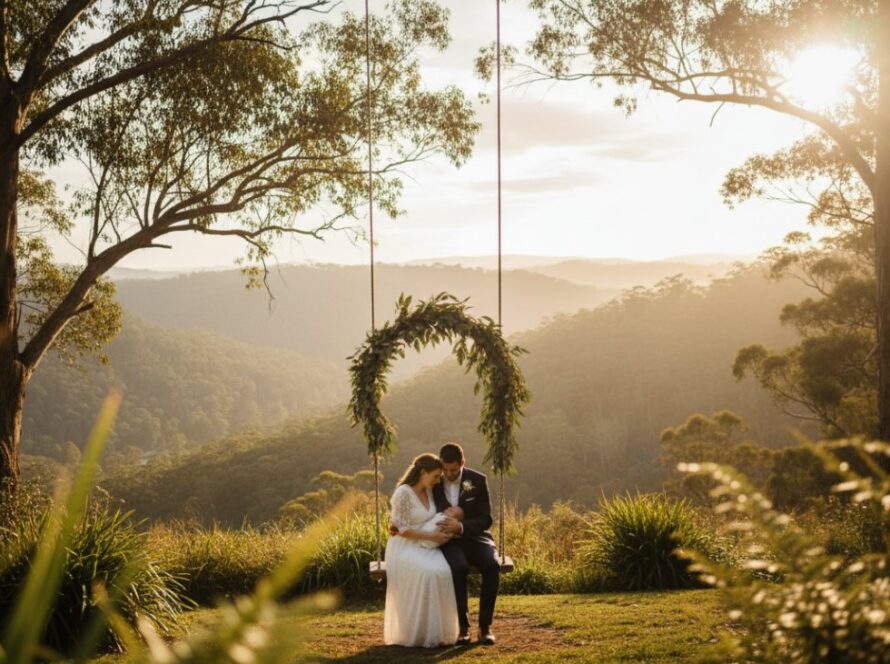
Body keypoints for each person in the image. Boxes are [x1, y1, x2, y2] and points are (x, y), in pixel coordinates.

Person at [383, 454, 460, 648]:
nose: (437, 481)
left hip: (426, 545)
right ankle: (417, 632)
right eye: (435, 476)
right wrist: (432, 537)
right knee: (429, 573)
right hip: (405, 546)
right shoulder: (403, 493)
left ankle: (437, 631)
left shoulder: (429, 491)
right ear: (423, 472)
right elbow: (400, 529)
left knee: (443, 571)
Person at [433, 442, 501, 646]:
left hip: (476, 537)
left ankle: (485, 627)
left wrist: (461, 527)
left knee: (492, 566)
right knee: (458, 568)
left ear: (463, 462)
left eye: (453, 470)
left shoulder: (478, 480)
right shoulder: (435, 481)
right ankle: (463, 628)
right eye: (445, 469)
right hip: (449, 542)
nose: (448, 474)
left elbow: (486, 519)